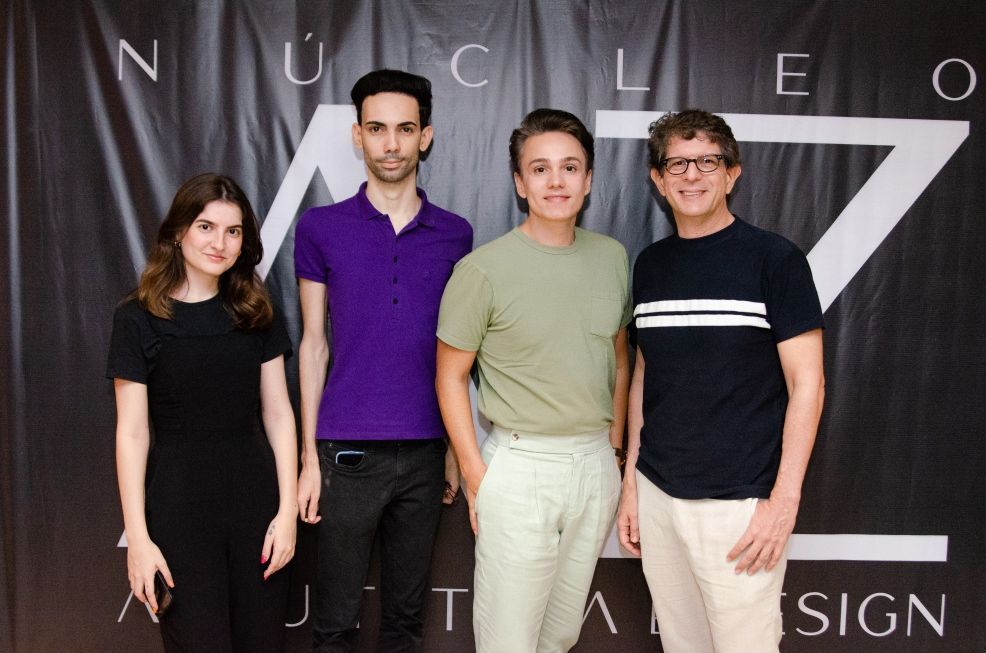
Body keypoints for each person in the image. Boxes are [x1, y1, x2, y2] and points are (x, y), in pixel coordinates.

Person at [616, 109, 825, 653]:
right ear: (658, 180)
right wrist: (633, 483)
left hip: (740, 509)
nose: (692, 174)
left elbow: (809, 385)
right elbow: (645, 375)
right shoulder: (650, 265)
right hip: (659, 496)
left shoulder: (774, 260)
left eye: (708, 161)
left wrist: (783, 502)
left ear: (733, 173)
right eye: (677, 163)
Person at [436, 108, 631, 653]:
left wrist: (613, 451)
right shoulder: (483, 270)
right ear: (520, 183)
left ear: (589, 180)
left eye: (570, 167)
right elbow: (449, 377)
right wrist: (476, 474)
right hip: (519, 470)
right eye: (540, 169)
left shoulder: (611, 258)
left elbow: (619, 356)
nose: (556, 180)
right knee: (509, 642)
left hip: (594, 466)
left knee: (561, 635)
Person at [293, 69, 472, 653]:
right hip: (344, 454)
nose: (390, 143)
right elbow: (313, 343)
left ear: (426, 136)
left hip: (424, 452)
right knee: (335, 625)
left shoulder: (455, 235)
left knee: (404, 625)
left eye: (404, 129)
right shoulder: (321, 227)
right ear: (357, 136)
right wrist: (308, 458)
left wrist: (450, 450)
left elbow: (457, 354)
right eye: (377, 129)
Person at [108, 173, 298, 652]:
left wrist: (287, 512)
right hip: (178, 519)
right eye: (206, 227)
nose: (220, 242)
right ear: (178, 232)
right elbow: (132, 433)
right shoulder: (137, 317)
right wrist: (139, 538)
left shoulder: (256, 310)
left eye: (233, 231)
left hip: (258, 514)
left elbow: (278, 415)